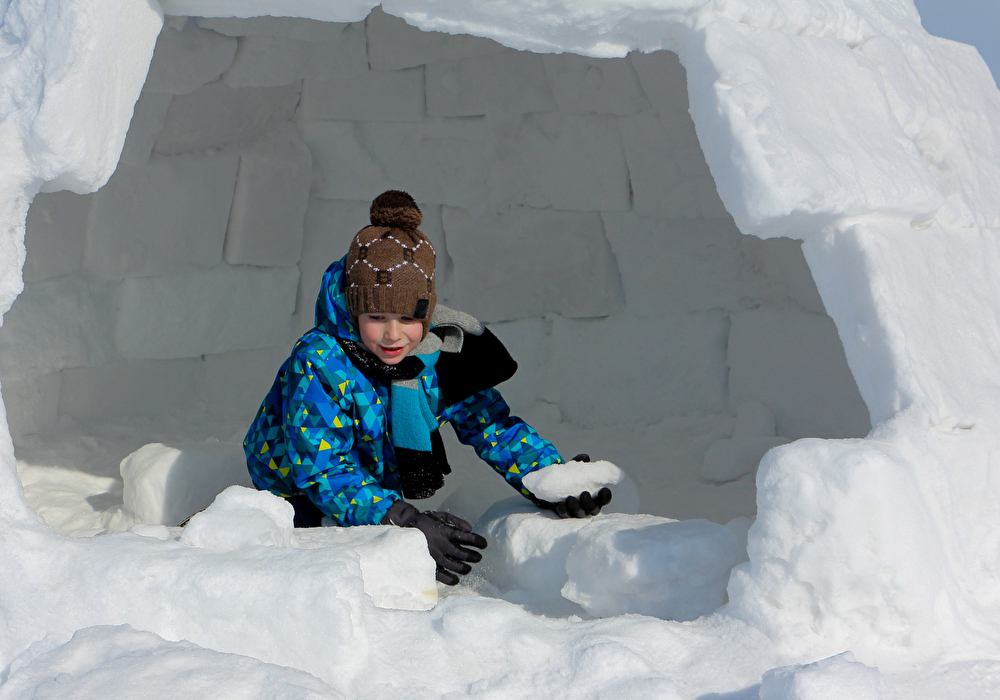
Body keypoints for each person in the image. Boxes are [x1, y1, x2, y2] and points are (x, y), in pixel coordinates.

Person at [243, 190, 611, 585]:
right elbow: (323, 469)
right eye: (376, 317)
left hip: (371, 481)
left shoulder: (436, 354)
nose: (393, 334)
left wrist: (549, 478)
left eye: (407, 318)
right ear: (354, 309)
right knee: (334, 552)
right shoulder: (320, 362)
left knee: (373, 523)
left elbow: (491, 426)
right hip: (294, 485)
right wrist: (404, 520)